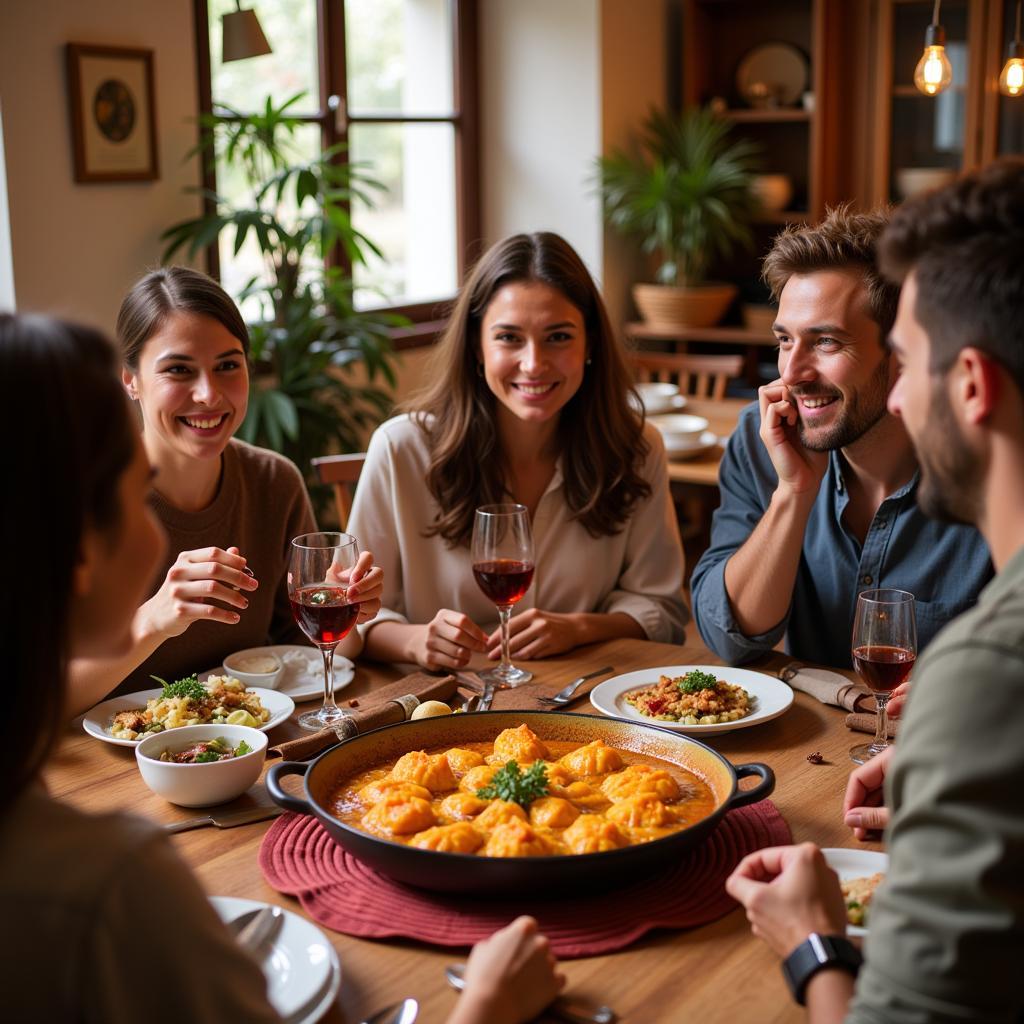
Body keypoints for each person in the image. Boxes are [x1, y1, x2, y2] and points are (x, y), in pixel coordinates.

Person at [0, 311, 564, 1023]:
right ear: (77, 545)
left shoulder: (269, 479)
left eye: (229, 363)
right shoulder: (111, 888)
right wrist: (484, 1008)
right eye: (131, 487)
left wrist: (358, 622)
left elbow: (305, 647)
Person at [726, 158, 1024, 1022]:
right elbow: (731, 631)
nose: (897, 394)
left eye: (909, 361)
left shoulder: (990, 668)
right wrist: (953, 765)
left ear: (967, 384)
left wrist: (810, 942)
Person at [348, 232, 687, 670]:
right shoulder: (400, 449)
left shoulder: (638, 449)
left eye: (558, 337)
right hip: (438, 709)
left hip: (581, 702)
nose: (533, 363)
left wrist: (580, 627)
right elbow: (356, 617)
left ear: (590, 345)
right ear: (477, 346)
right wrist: (416, 642)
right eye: (509, 337)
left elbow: (663, 609)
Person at [67, 267, 382, 714]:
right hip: (110, 768)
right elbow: (39, 700)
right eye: (178, 369)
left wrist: (339, 612)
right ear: (130, 380)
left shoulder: (274, 482)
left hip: (245, 747)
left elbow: (300, 655)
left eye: (227, 366)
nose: (208, 395)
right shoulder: (80, 499)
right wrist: (155, 620)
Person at [690, 207, 991, 668]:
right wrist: (793, 493)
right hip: (816, 739)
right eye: (785, 340)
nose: (791, 373)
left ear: (903, 353)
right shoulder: (761, 440)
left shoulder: (992, 463)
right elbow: (731, 638)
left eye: (826, 342)